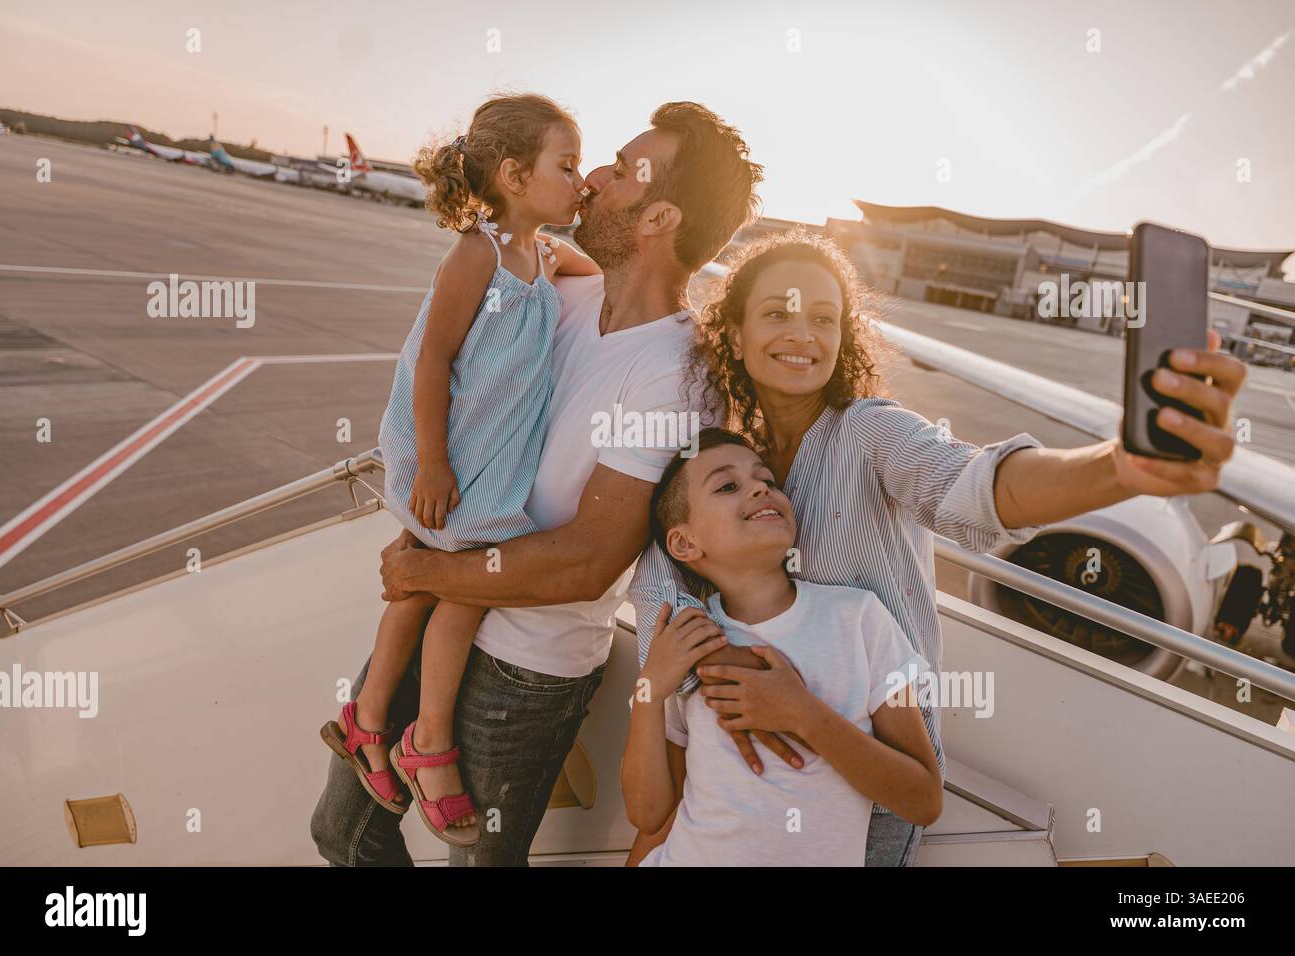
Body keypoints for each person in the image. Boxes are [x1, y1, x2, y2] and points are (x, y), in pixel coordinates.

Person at [627, 228, 1247, 866]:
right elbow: (660, 594)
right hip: (735, 772)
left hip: (873, 775)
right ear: (734, 334)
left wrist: (1118, 467)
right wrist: (730, 682)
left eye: (823, 318)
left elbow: (981, 489)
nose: (803, 335)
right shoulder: (735, 466)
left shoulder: (870, 433)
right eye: (777, 314)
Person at [312, 101, 762, 865]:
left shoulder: (676, 376)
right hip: (438, 606)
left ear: (659, 217)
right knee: (343, 830)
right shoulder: (562, 296)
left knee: (477, 861)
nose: (592, 179)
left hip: (525, 665)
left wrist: (427, 566)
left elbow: (589, 558)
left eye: (620, 172)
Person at [319, 93, 598, 847]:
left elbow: (591, 269)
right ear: (512, 173)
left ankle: (371, 718)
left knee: (445, 578)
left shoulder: (542, 254)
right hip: (447, 452)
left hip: (489, 454)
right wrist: (434, 464)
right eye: (566, 166)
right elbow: (433, 359)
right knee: (450, 581)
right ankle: (420, 738)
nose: (580, 181)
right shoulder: (477, 254)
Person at [622, 428, 942, 865]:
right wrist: (649, 691)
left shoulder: (858, 618)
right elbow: (649, 813)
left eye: (768, 481)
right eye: (727, 486)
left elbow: (923, 800)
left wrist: (803, 714)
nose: (759, 487)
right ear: (683, 543)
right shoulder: (684, 643)